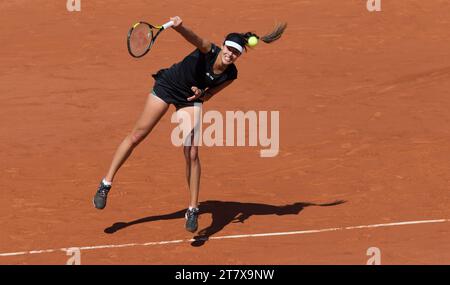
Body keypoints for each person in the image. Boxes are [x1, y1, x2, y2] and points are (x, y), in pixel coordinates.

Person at [93, 16, 286, 233]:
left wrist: (201, 93)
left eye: (236, 52)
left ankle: (193, 209)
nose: (230, 54)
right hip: (168, 86)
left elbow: (210, 94)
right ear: (222, 45)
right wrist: (180, 26)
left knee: (192, 152)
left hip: (189, 100)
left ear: (240, 55)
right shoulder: (209, 50)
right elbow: (194, 38)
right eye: (229, 48)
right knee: (138, 135)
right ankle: (105, 184)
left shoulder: (231, 74)